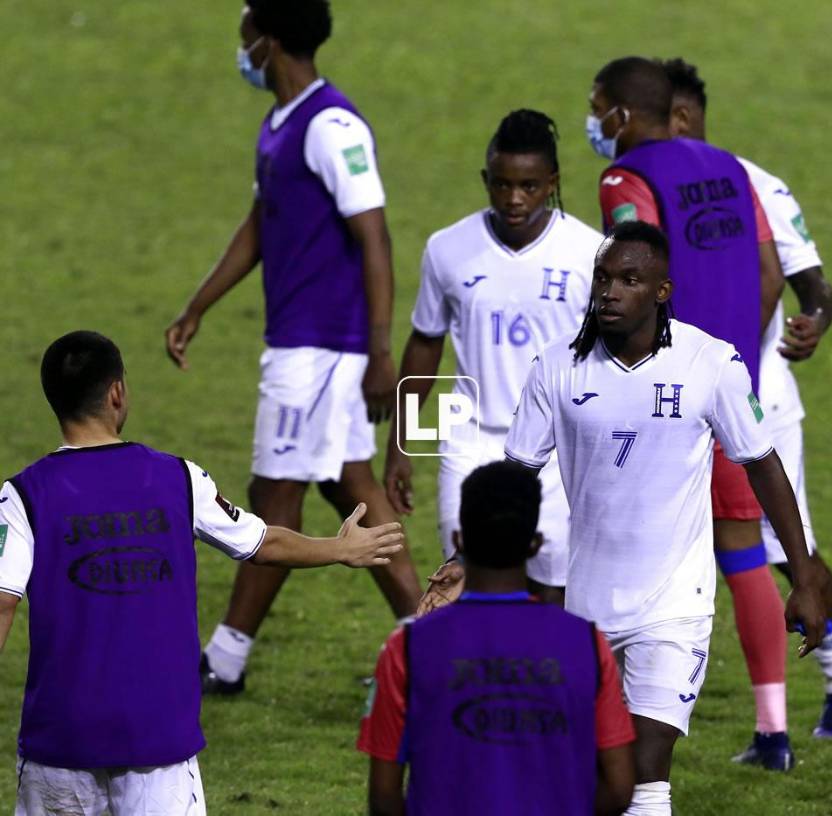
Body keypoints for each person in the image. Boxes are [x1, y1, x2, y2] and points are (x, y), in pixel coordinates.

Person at [502, 223, 832, 815]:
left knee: (647, 769)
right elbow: (515, 478)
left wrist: (805, 576)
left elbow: (764, 466)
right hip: (587, 604)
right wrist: (463, 562)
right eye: (604, 278)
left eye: (629, 279)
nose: (610, 291)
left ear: (661, 290)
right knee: (592, 775)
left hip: (674, 605)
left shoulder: (710, 364)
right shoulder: (556, 368)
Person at [0, 331, 404, 815]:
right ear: (117, 393)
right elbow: (261, 543)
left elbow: (3, 603)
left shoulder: (22, 496)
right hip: (160, 746)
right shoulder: (178, 479)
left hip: (59, 744)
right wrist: (337, 549)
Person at [164, 0, 420, 695]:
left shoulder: (332, 126)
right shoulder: (279, 125)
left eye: (245, 31)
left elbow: (376, 236)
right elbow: (260, 224)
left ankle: (224, 660)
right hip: (303, 346)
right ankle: (430, 637)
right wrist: (198, 306)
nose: (239, 45)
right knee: (349, 486)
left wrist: (379, 352)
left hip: (319, 351)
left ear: (268, 41)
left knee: (275, 500)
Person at [586, 56, 829, 769]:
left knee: (619, 547)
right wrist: (737, 364)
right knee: (744, 555)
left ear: (623, 115)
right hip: (730, 381)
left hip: (658, 390)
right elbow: (768, 274)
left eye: (597, 108)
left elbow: (639, 268)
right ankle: (774, 731)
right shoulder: (729, 167)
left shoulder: (624, 179)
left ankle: (611, 728)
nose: (595, 123)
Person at [662, 58, 832, 742]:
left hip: (757, 399)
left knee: (784, 547)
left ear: (679, 119)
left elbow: (808, 283)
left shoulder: (753, 184)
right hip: (677, 400)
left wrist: (815, 324)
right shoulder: (654, 183)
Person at [383, 109, 603, 604]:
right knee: (459, 582)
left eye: (528, 185)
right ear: (486, 180)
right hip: (471, 440)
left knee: (553, 591)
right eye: (501, 185)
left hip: (558, 447)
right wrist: (401, 444)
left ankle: (540, 682)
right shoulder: (448, 249)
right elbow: (424, 344)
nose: (514, 199)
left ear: (552, 183)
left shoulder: (589, 252)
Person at [358, 462, 636, 815]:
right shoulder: (585, 643)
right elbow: (619, 786)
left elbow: (383, 797)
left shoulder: (408, 647)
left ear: (459, 540)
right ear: (534, 545)